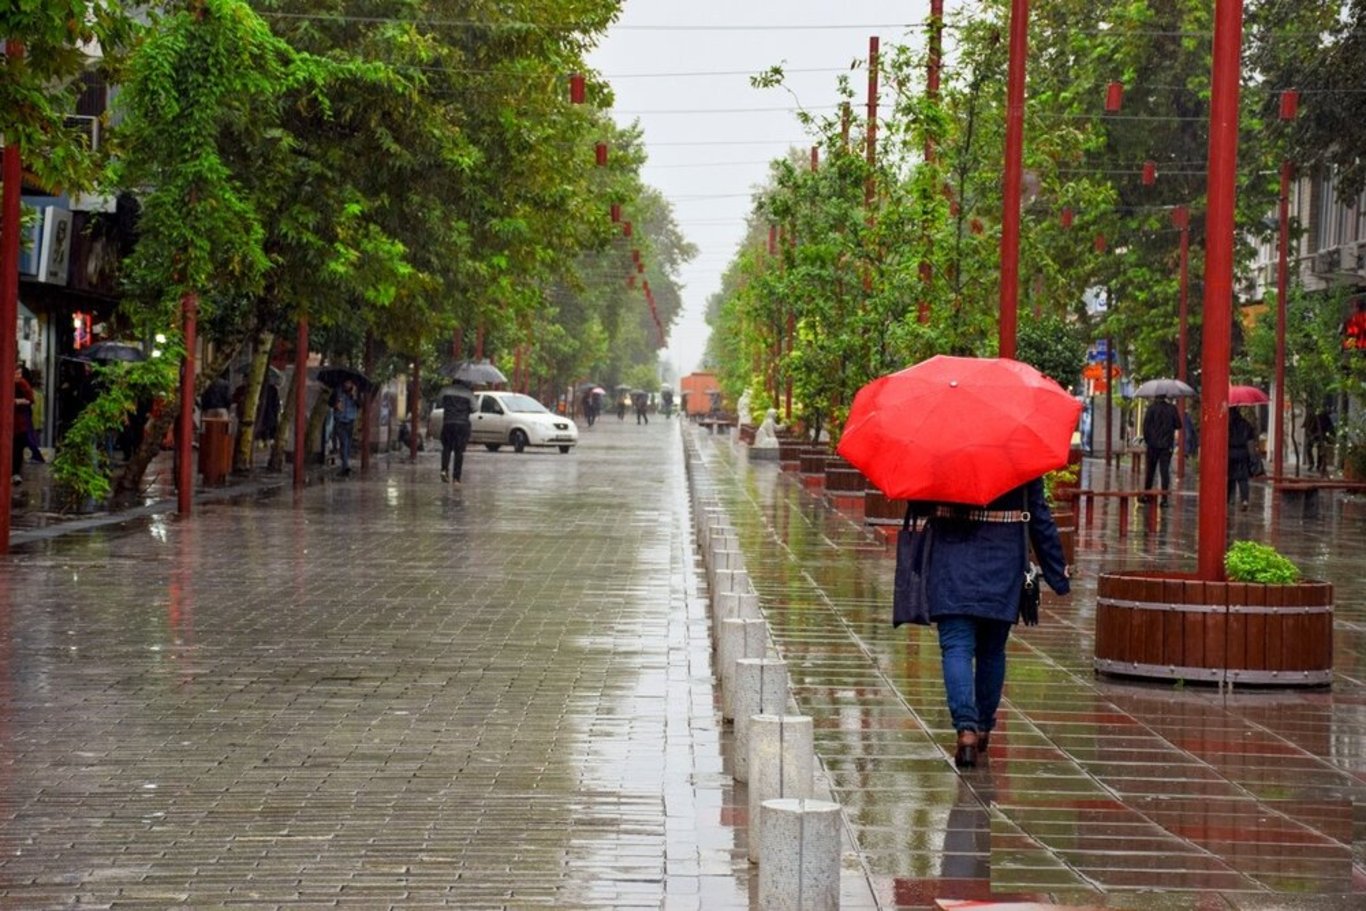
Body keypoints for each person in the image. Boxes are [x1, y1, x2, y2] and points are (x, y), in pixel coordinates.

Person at [916, 479, 1070, 768]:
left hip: (952, 561)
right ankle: (984, 726)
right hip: (1002, 559)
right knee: (991, 650)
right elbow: (1039, 515)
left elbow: (919, 504)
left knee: (956, 647)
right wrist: (1057, 575)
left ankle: (966, 731)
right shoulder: (1019, 452)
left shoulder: (942, 451)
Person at [1141, 394, 1181, 502]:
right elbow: (1178, 425)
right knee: (1164, 472)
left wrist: (1148, 440)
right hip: (1166, 445)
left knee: (1150, 471)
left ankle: (1146, 494)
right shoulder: (1172, 409)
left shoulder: (1151, 409)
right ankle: (1164, 498)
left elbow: (1145, 427)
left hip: (1152, 445)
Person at [439, 380, 474, 485]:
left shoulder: (445, 390)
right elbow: (475, 408)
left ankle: (444, 470)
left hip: (448, 423)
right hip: (462, 425)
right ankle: (456, 479)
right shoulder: (468, 393)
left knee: (447, 448)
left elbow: (439, 403)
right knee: (459, 451)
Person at [330, 378, 360, 476]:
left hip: (350, 420)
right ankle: (345, 465)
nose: (348, 384)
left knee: (347, 443)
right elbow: (330, 402)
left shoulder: (355, 392)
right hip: (340, 419)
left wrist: (355, 397)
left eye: (350, 382)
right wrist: (335, 405)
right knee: (344, 442)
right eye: (346, 382)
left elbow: (360, 404)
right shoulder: (337, 391)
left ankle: (345, 464)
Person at [1228, 407, 1256, 509]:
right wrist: (1252, 456)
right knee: (1243, 479)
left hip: (1230, 453)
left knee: (1230, 478)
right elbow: (1250, 442)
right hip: (1243, 454)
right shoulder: (1246, 425)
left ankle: (1229, 499)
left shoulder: (1228, 425)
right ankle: (1244, 500)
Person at [13, 365, 34, 485]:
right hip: (13, 421)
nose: (19, 377)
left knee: (18, 448)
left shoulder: (22, 384)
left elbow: (30, 399)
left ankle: (16, 472)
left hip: (20, 423)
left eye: (20, 374)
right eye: (16, 374)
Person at [19, 365, 42, 463]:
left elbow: (30, 400)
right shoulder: (28, 386)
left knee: (27, 435)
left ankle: (37, 456)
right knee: (29, 435)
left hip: (23, 412)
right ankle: (36, 455)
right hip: (26, 413)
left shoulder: (23, 385)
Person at [1304, 408, 1334, 475]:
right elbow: (1306, 426)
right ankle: (1312, 463)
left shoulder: (1323, 416)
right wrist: (1310, 434)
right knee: (1308, 447)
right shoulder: (1310, 415)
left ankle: (1319, 465)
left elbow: (1329, 426)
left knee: (1320, 448)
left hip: (1321, 434)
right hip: (1313, 434)